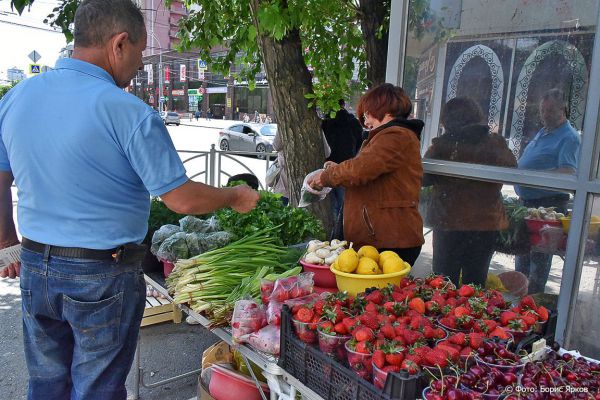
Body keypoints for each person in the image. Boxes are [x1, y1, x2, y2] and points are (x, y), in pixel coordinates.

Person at [0, 1, 259, 398]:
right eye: (139, 53)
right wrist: (234, 196)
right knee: (97, 388)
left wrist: (6, 241)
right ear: (119, 44)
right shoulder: (129, 112)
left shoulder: (16, 99)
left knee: (47, 384)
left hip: (36, 267)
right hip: (100, 276)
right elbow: (181, 199)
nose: (139, 65)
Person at [308, 84, 425, 265]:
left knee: (378, 291)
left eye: (367, 114)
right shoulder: (390, 136)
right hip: (384, 236)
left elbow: (361, 169)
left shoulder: (396, 135)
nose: (365, 121)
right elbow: (371, 171)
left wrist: (326, 176)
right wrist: (337, 168)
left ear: (382, 109)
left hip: (391, 239)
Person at [423, 97, 517, 286]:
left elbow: (424, 178)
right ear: (477, 116)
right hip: (484, 224)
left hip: (448, 220)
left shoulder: (444, 146)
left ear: (447, 120)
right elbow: (512, 171)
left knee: (443, 284)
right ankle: (471, 315)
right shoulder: (494, 143)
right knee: (475, 284)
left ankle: (445, 316)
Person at [514, 88, 581, 294]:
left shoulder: (569, 137)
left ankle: (532, 307)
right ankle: (518, 301)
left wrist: (532, 178)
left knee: (538, 264)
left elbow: (568, 171)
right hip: (529, 205)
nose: (545, 115)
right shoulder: (544, 131)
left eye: (550, 110)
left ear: (563, 109)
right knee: (522, 260)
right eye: (543, 110)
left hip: (547, 206)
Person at [321, 99, 364, 220]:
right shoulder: (353, 122)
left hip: (327, 166)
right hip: (347, 166)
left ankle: (334, 230)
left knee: (331, 204)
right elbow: (360, 144)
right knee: (344, 204)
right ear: (344, 105)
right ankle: (342, 232)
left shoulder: (325, 123)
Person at [272, 129, 330, 206]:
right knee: (301, 211)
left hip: (286, 175)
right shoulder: (315, 127)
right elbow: (327, 152)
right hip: (308, 179)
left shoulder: (284, 125)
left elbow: (276, 146)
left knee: (280, 207)